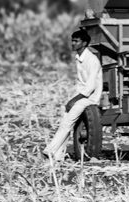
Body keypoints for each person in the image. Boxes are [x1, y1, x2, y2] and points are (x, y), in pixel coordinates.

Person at [43, 29, 102, 161]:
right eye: (72, 40)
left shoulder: (91, 60)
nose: (73, 43)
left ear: (85, 43)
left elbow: (90, 86)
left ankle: (50, 151)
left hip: (89, 98)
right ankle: (58, 155)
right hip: (81, 96)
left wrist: (74, 100)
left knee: (67, 122)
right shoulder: (79, 58)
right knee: (65, 120)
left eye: (76, 41)